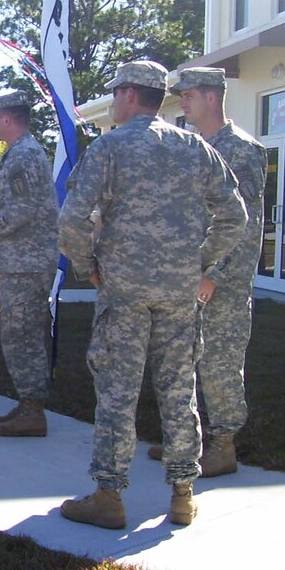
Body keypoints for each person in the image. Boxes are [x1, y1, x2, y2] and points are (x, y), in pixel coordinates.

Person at [57, 60, 246, 530]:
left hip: (124, 291)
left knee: (117, 393)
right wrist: (198, 261)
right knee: (178, 390)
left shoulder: (110, 147)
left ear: (126, 95)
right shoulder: (194, 148)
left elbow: (71, 220)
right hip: (179, 292)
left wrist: (88, 266)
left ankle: (109, 495)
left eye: (116, 93)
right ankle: (183, 494)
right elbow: (235, 217)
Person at [150, 66, 267, 477]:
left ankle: (223, 444)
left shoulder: (240, 149)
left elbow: (247, 223)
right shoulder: (197, 148)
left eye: (189, 95)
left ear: (212, 97)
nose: (182, 101)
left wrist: (215, 274)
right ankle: (187, 439)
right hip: (187, 277)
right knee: (184, 360)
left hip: (221, 284)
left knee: (218, 363)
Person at [0, 90, 59, 437]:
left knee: (23, 336)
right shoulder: (21, 153)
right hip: (21, 261)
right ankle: (28, 403)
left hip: (26, 263)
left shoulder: (24, 157)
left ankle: (33, 410)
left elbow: (23, 210)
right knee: (20, 334)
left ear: (6, 118)